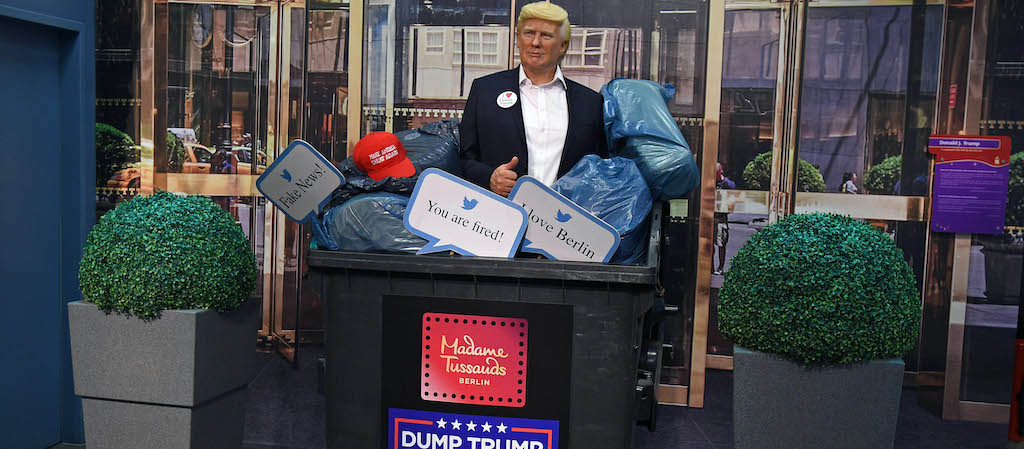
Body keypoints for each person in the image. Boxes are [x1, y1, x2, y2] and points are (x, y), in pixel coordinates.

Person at [459, 1, 608, 196]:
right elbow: (464, 159)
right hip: (500, 210)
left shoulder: (590, 103)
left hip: (563, 213)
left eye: (546, 35)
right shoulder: (485, 90)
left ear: (563, 45)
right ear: (518, 38)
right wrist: (489, 177)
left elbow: (599, 170)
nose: (535, 42)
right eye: (529, 33)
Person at [713, 163, 734, 275]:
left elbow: (733, 187)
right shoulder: (711, 182)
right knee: (709, 245)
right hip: (710, 218)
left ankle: (720, 267)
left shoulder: (725, 183)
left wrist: (722, 179)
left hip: (721, 219)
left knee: (721, 244)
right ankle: (710, 267)